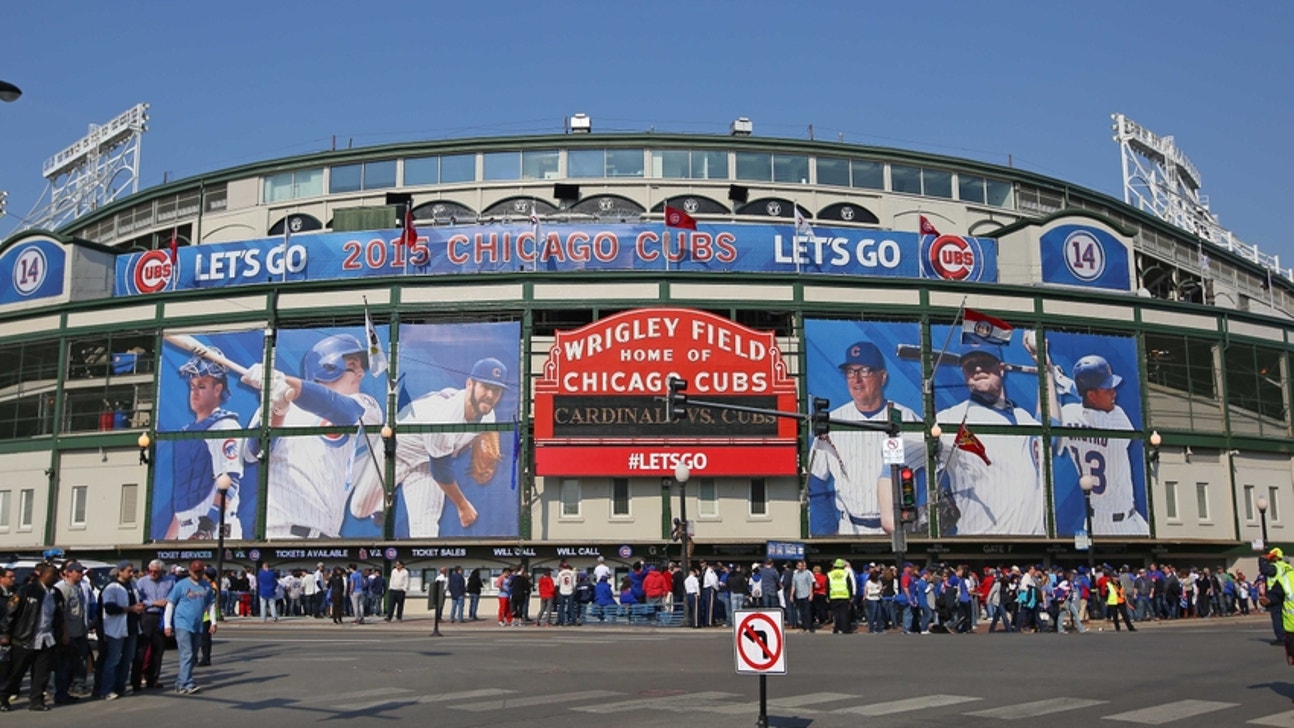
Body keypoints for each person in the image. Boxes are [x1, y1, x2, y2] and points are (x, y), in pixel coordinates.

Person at [245, 333, 384, 539]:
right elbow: (253, 452)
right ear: (329, 366)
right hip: (273, 534)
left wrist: (283, 381)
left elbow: (341, 410)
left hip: (324, 539)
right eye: (353, 365)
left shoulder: (365, 405)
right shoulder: (273, 400)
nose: (361, 373)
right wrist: (278, 411)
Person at [807, 341, 923, 536]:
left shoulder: (906, 417)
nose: (856, 380)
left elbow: (929, 471)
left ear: (883, 377)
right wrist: (826, 530)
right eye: (850, 372)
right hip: (849, 528)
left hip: (899, 529)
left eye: (865, 371)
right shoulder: (833, 422)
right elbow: (815, 479)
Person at [385, 357, 509, 538]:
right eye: (485, 387)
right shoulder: (445, 415)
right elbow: (442, 469)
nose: (490, 395)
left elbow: (463, 443)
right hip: (397, 451)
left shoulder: (488, 416)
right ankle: (378, 510)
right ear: (470, 384)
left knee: (425, 531)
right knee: (360, 508)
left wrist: (471, 447)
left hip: (426, 463)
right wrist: (462, 505)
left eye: (496, 390)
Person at [934, 344, 1045, 535]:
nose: (978, 369)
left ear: (1001, 368)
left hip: (1034, 545)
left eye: (985, 363)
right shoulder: (951, 418)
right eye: (970, 365)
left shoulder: (1025, 418)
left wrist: (1046, 369)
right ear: (964, 373)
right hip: (978, 545)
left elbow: (1050, 423)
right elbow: (898, 449)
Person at [1049, 352, 1147, 535]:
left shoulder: (1068, 414)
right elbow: (1088, 405)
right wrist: (1064, 381)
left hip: (1099, 522)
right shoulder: (1117, 418)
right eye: (1107, 388)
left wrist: (1056, 379)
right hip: (1121, 526)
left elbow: (1081, 403)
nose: (1114, 393)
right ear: (1092, 395)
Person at [165, 351, 243, 540]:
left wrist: (206, 526)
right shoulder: (187, 432)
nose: (195, 392)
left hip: (215, 528)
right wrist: (167, 541)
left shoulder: (225, 426)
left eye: (201, 386)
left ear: (217, 389)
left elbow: (230, 482)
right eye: (192, 387)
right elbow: (186, 493)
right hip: (187, 529)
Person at [0, 563, 60, 711]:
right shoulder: (27, 590)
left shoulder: (55, 593)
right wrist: (5, 633)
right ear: (43, 575)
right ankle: (3, 698)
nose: (55, 578)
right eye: (52, 575)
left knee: (42, 672)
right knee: (16, 672)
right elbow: (10, 613)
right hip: (25, 638)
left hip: (46, 638)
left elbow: (58, 615)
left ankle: (36, 700)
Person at [163, 560, 216, 695]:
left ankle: (181, 682)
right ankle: (187, 683)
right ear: (190, 571)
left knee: (192, 656)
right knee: (186, 654)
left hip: (197, 625)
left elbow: (210, 605)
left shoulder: (206, 587)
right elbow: (170, 604)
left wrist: (213, 622)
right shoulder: (181, 585)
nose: (197, 574)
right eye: (195, 571)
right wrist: (168, 625)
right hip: (182, 624)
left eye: (200, 571)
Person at [97, 562, 144, 699]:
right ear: (120, 571)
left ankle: (120, 687)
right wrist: (130, 609)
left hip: (132, 628)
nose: (131, 574)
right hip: (115, 629)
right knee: (113, 660)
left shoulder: (133, 585)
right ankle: (106, 689)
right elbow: (110, 609)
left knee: (127, 659)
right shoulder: (112, 588)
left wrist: (139, 607)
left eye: (132, 571)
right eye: (129, 571)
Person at [52, 561, 92, 705]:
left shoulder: (78, 588)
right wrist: (65, 633)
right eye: (78, 572)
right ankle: (59, 693)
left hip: (79, 631)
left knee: (75, 664)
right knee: (63, 665)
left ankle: (66, 691)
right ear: (68, 573)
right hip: (68, 634)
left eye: (81, 572)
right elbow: (62, 613)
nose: (80, 574)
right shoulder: (63, 588)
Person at [132, 559, 172, 691]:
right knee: (141, 650)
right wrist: (154, 603)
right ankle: (136, 680)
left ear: (161, 571)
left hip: (161, 616)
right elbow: (139, 599)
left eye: (156, 572)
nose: (153, 574)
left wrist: (166, 601)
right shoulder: (142, 582)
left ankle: (153, 679)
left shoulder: (169, 581)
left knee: (158, 650)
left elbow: (172, 596)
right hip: (147, 615)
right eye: (151, 571)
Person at [828, 559, 855, 635]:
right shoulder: (846, 574)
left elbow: (827, 586)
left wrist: (827, 596)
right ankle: (845, 629)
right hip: (844, 596)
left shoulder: (830, 574)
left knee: (836, 614)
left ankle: (836, 628)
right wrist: (851, 596)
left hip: (833, 596)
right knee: (844, 613)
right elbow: (849, 586)